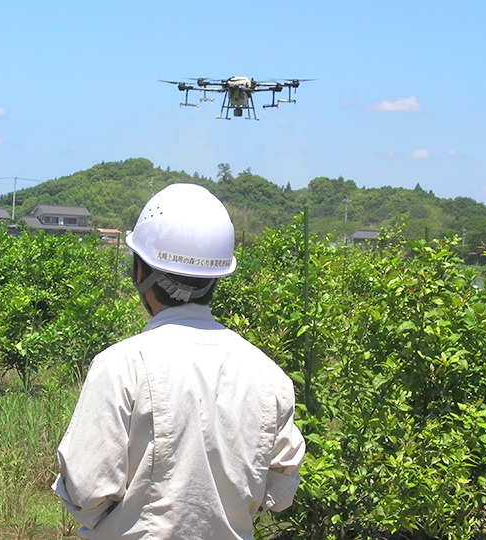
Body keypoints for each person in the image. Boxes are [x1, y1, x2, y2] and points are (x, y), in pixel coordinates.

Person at [53, 183, 305, 540]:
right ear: (217, 276)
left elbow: (86, 490)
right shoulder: (269, 375)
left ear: (141, 272)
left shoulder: (121, 366)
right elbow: (279, 491)